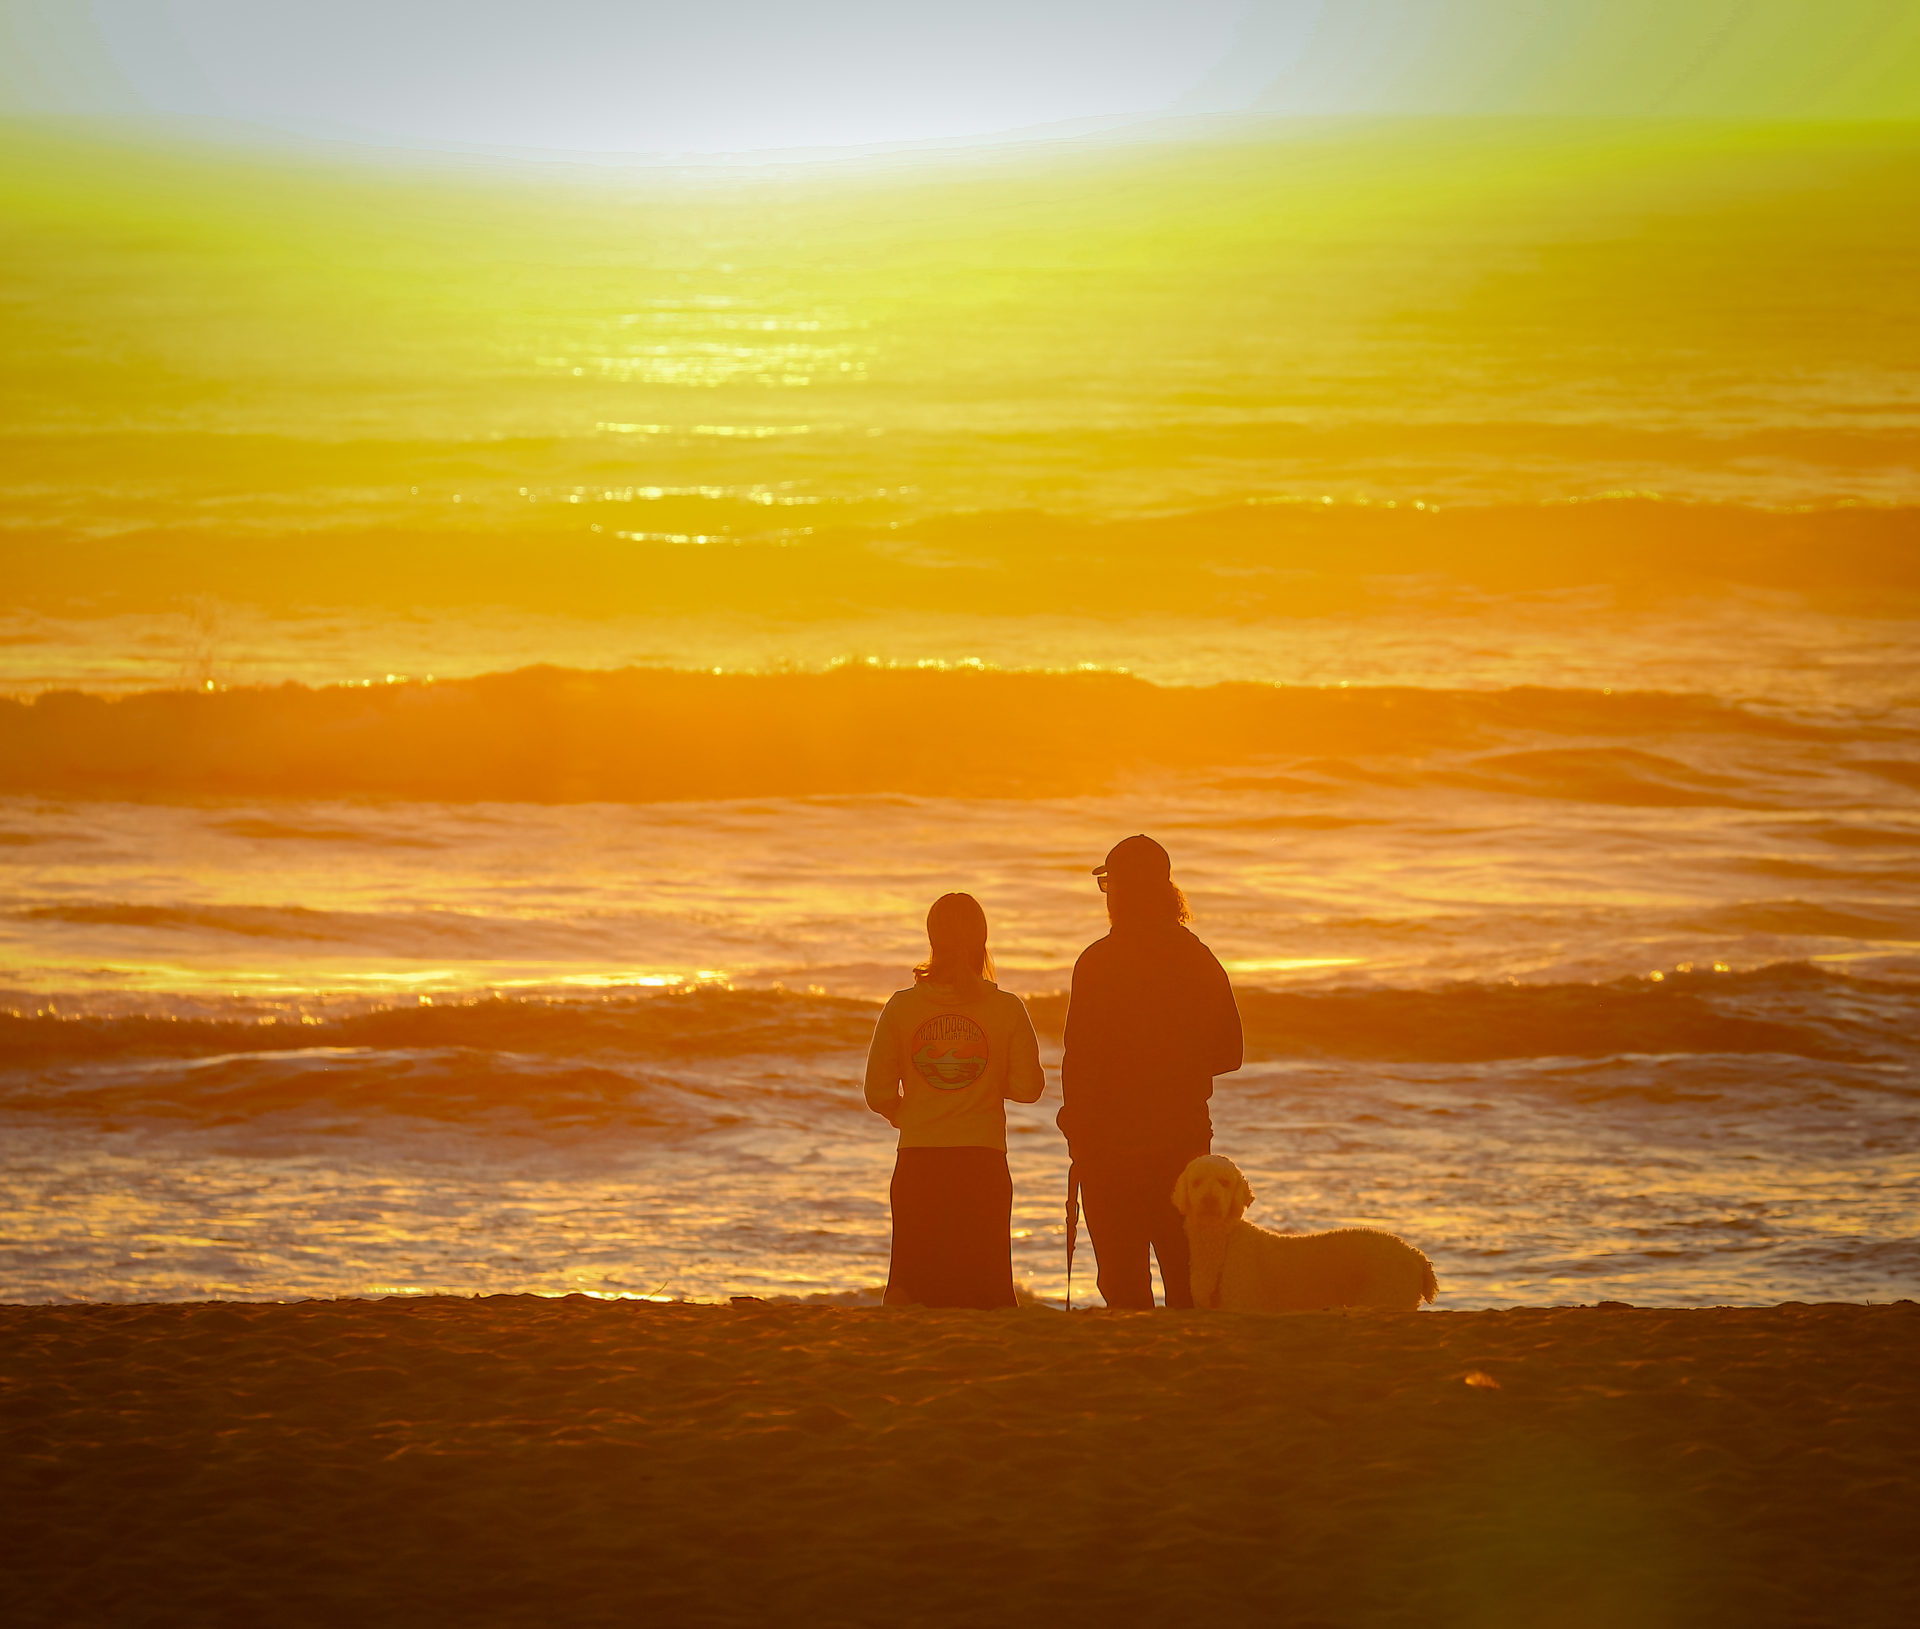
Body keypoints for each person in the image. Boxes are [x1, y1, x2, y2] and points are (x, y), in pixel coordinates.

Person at [1058, 835, 1242, 1310]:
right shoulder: (1197, 959)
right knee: (1188, 1282)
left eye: (1108, 883)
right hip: (1179, 1141)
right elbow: (1231, 1052)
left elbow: (1077, 1062)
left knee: (1122, 1287)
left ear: (1119, 890)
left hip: (1108, 1145)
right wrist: (1173, 1064)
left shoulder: (1097, 962)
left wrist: (1077, 1128)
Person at [864, 892, 1045, 1308]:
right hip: (982, 1162)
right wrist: (983, 1082)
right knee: (984, 1291)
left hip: (919, 1160)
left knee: (915, 1290)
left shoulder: (902, 1007)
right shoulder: (1006, 1008)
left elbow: (877, 1092)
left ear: (932, 939)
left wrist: (909, 1113)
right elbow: (1028, 1089)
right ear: (983, 940)